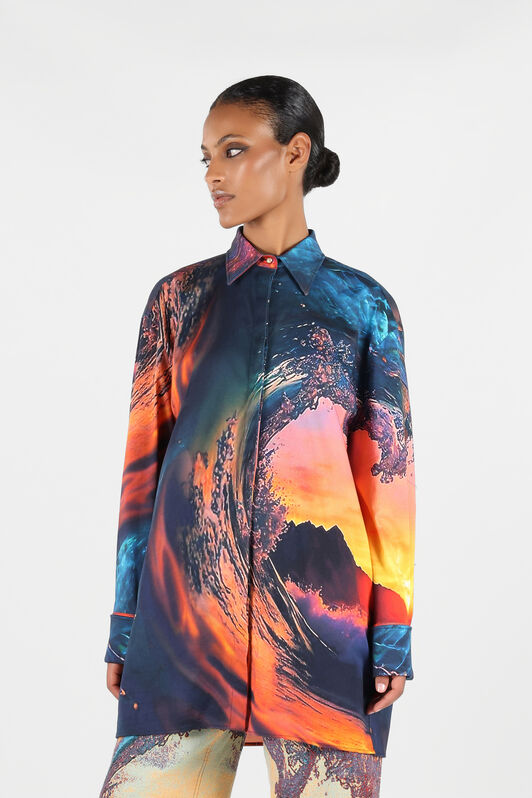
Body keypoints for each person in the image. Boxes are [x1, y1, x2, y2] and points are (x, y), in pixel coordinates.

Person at [99, 74, 416, 798]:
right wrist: (126, 616)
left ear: (296, 152)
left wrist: (392, 630)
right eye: (206, 156)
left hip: (323, 632)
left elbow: (388, 483)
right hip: (183, 627)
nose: (213, 173)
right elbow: (144, 472)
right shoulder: (178, 300)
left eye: (234, 150)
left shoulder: (364, 307)